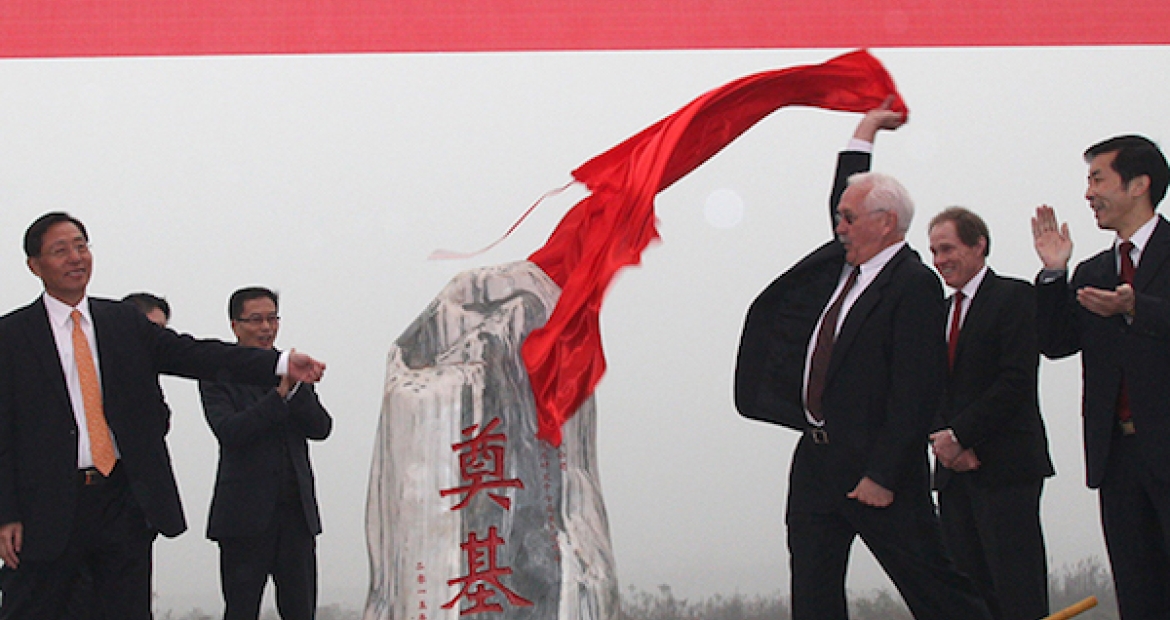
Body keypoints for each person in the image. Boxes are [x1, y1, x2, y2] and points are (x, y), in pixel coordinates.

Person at [0, 212, 326, 620]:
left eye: (81, 246)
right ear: (35, 265)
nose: (75, 258)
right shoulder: (12, 336)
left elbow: (193, 355)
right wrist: (6, 512)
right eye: (60, 250)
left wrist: (278, 364)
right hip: (46, 506)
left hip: (122, 500)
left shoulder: (121, 322)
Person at [734, 104, 991, 620]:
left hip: (877, 469)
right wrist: (866, 130)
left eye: (849, 218)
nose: (840, 225)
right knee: (813, 593)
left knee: (934, 590)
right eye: (840, 217)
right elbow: (844, 191)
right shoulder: (841, 268)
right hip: (817, 462)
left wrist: (883, 474)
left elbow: (916, 391)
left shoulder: (912, 284)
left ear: (886, 223)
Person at [1032, 134, 1170, 620]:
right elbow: (1056, 342)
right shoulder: (1094, 270)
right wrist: (1053, 273)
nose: (1088, 193)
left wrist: (1138, 308)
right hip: (1119, 458)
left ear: (1139, 185)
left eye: (1097, 179)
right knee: (1139, 592)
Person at [927, 207, 1054, 620]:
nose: (940, 259)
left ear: (978, 244)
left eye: (947, 248)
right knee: (969, 592)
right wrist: (943, 442)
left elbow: (1015, 381)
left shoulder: (1014, 297)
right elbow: (926, 388)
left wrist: (962, 435)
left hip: (1006, 468)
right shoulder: (938, 314)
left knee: (1016, 589)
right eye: (933, 251)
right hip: (952, 473)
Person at [199, 287, 332, 620]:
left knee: (301, 611)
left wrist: (297, 388)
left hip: (295, 518)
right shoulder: (218, 372)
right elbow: (231, 432)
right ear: (235, 325)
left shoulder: (292, 368)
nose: (266, 328)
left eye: (272, 319)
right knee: (241, 611)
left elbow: (321, 428)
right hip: (244, 520)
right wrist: (279, 396)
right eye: (256, 320)